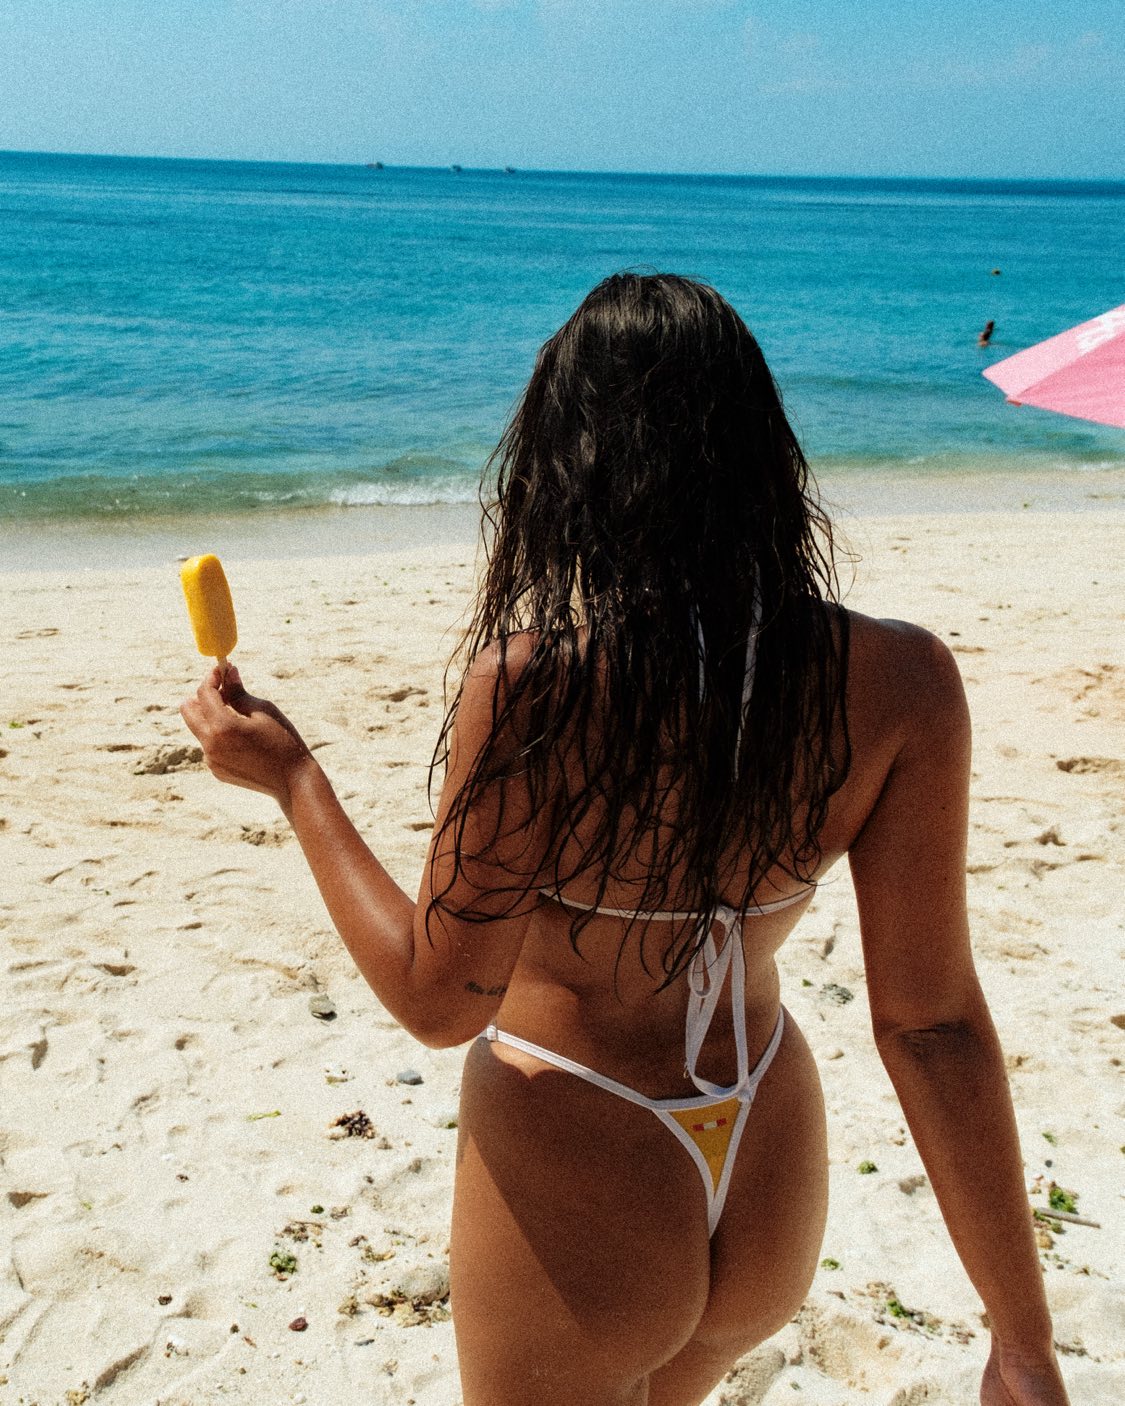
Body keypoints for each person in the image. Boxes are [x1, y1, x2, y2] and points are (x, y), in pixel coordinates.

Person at [181, 273, 1069, 1406]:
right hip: (764, 1148)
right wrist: (1022, 1338)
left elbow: (441, 1001)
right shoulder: (903, 680)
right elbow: (934, 1023)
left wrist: (296, 779)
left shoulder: (539, 685)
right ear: (762, 456)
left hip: (584, 1144)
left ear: (569, 470)